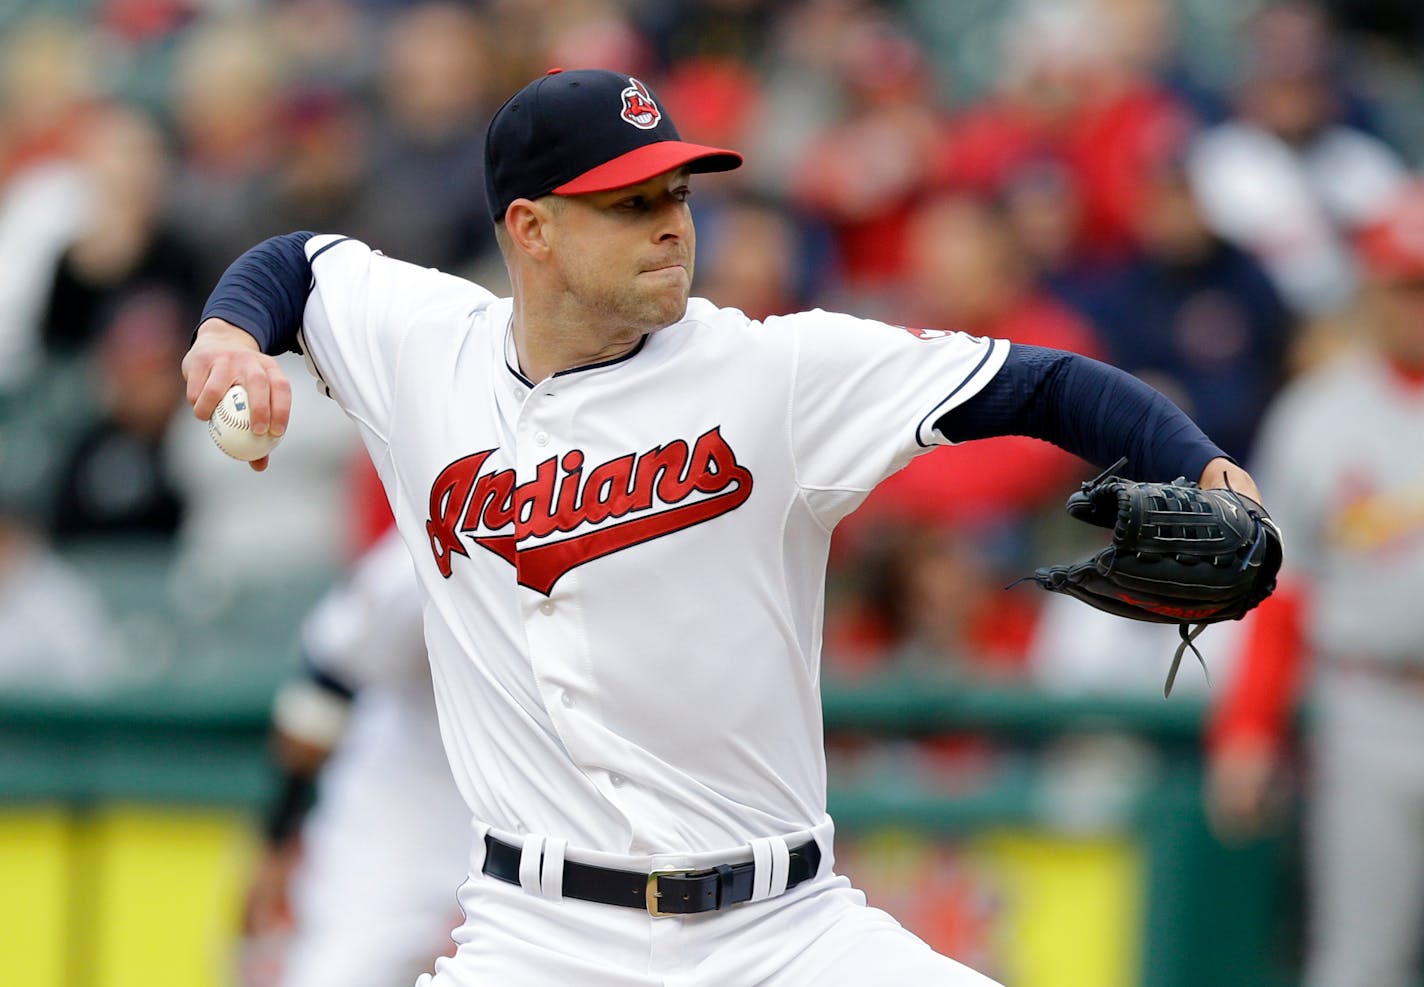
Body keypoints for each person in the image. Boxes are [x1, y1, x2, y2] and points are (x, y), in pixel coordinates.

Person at [181, 68, 1265, 987]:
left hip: (781, 933)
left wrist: (1201, 465)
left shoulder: (773, 373)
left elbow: (1043, 386)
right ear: (531, 229)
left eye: (677, 191)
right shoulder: (427, 346)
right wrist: (229, 338)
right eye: (627, 201)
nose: (669, 219)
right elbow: (295, 266)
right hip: (537, 939)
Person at [1205, 180, 1424, 987]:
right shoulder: (1319, 415)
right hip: (1370, 708)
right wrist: (1249, 728)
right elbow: (1281, 596)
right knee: (1358, 965)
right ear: (1373, 286)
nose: (1418, 305)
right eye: (1407, 285)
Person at [242, 528, 468, 987]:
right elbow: (324, 686)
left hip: (535, 832)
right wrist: (277, 841)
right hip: (402, 829)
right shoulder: (433, 549)